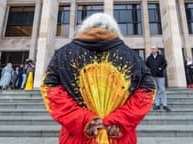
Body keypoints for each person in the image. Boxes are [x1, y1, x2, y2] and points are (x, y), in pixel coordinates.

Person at [40, 13, 155, 144]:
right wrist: (120, 120)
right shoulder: (133, 57)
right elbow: (147, 91)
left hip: (77, 137)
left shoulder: (63, 55)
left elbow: (49, 89)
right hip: (117, 135)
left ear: (84, 28)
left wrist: (83, 120)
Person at [146, 46, 171, 112]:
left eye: (154, 49)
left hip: (160, 76)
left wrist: (161, 68)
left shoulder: (161, 57)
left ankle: (164, 104)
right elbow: (146, 65)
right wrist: (149, 71)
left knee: (162, 89)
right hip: (153, 76)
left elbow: (165, 64)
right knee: (155, 90)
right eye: (152, 49)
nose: (153, 50)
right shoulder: (149, 58)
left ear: (157, 50)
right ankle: (157, 104)